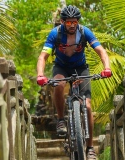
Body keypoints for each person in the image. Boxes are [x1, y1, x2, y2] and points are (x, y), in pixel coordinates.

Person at [36, 5, 112, 160]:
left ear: (78, 21)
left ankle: (90, 148)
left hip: (80, 68)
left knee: (88, 106)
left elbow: (101, 51)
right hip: (61, 67)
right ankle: (61, 120)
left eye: (74, 22)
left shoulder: (85, 32)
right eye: (68, 22)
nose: (72, 25)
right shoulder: (55, 34)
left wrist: (107, 67)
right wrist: (40, 74)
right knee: (59, 85)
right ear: (63, 22)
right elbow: (43, 57)